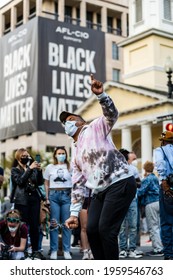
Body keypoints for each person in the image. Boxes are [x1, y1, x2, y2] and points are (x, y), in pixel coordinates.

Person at [59, 74, 137, 260]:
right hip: (100, 191)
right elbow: (77, 186)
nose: (67, 123)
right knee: (92, 230)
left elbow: (112, 114)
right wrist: (73, 214)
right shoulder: (76, 153)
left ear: (80, 121)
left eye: (70, 118)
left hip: (120, 181)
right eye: (64, 122)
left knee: (105, 230)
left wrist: (101, 96)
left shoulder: (94, 127)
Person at [10, 148, 46, 260]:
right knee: (23, 226)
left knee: (35, 226)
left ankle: (35, 251)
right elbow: (20, 181)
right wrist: (29, 169)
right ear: (18, 157)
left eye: (28, 155)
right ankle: (23, 250)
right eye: (24, 156)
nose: (27, 157)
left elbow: (39, 182)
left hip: (34, 200)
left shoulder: (33, 169)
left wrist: (39, 170)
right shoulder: (14, 170)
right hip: (21, 201)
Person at [44, 146, 72, 260]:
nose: (61, 155)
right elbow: (46, 183)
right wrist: (46, 197)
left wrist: (74, 194)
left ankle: (66, 250)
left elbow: (76, 180)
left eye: (63, 153)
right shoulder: (50, 167)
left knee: (67, 224)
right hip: (53, 196)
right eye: (59, 153)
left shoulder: (70, 166)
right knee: (54, 224)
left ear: (66, 154)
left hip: (67, 196)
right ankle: (54, 250)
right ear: (55, 155)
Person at [118, 149, 143, 258]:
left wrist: (132, 183)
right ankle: (123, 249)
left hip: (132, 199)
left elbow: (139, 183)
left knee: (133, 225)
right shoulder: (116, 170)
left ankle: (132, 248)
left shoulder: (133, 169)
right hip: (120, 200)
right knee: (122, 226)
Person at [137, 161, 163, 256]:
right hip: (158, 202)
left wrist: (136, 190)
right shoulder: (155, 178)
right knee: (158, 226)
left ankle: (158, 249)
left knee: (153, 227)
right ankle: (161, 246)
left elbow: (141, 192)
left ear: (145, 168)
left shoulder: (147, 179)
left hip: (150, 203)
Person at [154, 130, 173, 260]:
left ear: (163, 141)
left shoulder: (160, 150)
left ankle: (169, 254)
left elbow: (160, 164)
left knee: (166, 221)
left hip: (168, 185)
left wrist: (164, 181)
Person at [79, 187, 94, 260]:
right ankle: (85, 251)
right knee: (84, 227)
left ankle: (92, 250)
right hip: (83, 198)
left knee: (92, 227)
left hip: (95, 198)